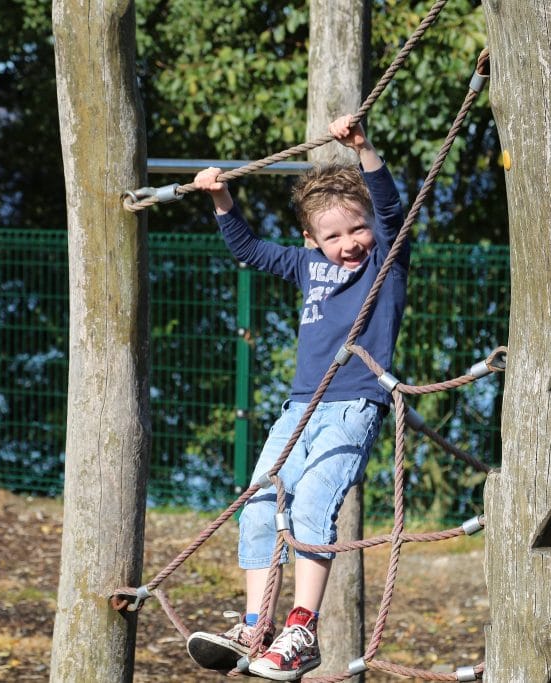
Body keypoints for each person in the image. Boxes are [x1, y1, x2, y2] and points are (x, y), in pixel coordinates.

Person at [185, 114, 408, 681]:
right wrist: (222, 200)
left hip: (354, 404)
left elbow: (389, 208)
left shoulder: (385, 259)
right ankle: (256, 625)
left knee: (311, 503)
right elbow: (251, 251)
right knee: (259, 503)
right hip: (298, 409)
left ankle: (301, 629)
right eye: (332, 236)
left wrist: (362, 148)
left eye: (356, 230)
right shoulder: (306, 263)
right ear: (311, 239)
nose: (348, 243)